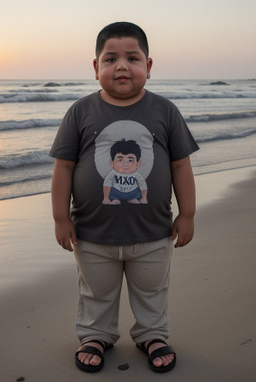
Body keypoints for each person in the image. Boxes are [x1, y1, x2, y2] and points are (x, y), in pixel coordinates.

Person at [50, 21, 199, 374]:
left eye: (132, 58)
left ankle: (151, 333)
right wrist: (60, 218)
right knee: (96, 291)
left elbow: (180, 166)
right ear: (95, 67)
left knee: (151, 289)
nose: (120, 66)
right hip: (92, 233)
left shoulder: (164, 111)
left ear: (148, 66)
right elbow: (64, 168)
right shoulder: (80, 112)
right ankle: (95, 335)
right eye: (110, 58)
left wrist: (187, 213)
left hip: (153, 231)